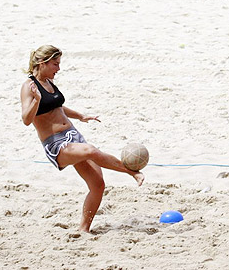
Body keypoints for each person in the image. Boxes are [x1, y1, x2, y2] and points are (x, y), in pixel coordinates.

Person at [20, 45, 144, 232]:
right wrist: (36, 100)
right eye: (55, 64)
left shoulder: (49, 82)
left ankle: (83, 229)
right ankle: (131, 172)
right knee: (91, 150)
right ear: (43, 63)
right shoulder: (28, 87)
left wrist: (81, 116)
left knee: (98, 185)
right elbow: (26, 120)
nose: (58, 69)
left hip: (73, 135)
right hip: (56, 145)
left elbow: (57, 107)